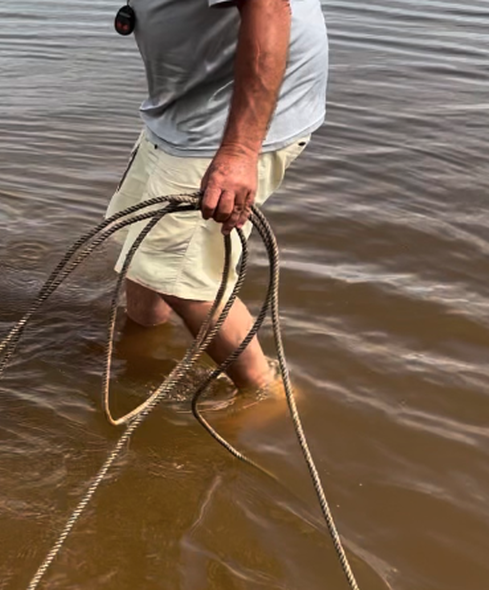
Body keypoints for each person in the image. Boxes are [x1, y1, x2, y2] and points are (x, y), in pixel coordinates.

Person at [106, 0, 328, 394]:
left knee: (187, 278)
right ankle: (140, 350)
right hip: (186, 109)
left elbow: (270, 7)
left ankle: (265, 390)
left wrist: (240, 152)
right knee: (141, 249)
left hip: (229, 123)